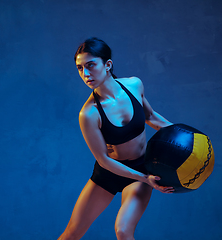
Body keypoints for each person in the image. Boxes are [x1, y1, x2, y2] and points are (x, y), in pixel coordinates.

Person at [58, 37, 174, 240]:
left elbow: (151, 117)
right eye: (80, 68)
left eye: (90, 65)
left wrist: (187, 135)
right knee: (72, 234)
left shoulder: (134, 85)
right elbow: (104, 160)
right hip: (109, 173)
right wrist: (145, 179)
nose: (85, 74)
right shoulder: (89, 114)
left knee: (123, 231)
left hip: (141, 168)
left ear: (108, 64)